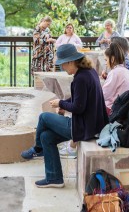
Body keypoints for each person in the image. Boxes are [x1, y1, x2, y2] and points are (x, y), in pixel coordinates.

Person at [20, 44, 108, 188]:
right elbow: (79, 99)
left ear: (70, 62)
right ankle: (54, 178)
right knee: (46, 137)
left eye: (62, 64)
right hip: (91, 126)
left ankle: (37, 149)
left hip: (82, 128)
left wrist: (60, 103)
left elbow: (78, 107)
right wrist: (63, 105)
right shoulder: (89, 72)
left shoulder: (80, 78)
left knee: (43, 118)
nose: (62, 68)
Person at [102, 44, 129, 114]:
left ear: (112, 59)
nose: (105, 63)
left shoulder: (114, 72)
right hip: (124, 108)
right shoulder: (126, 70)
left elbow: (103, 95)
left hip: (114, 110)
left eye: (106, 60)